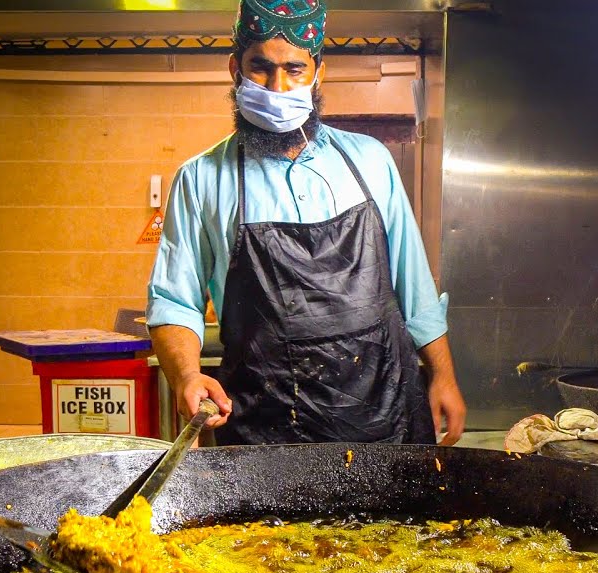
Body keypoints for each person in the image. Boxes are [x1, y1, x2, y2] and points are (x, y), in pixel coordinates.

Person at [146, 0, 465, 446]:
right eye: (261, 67)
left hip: (383, 412)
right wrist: (185, 376)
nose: (277, 87)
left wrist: (443, 376)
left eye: (294, 69)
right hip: (266, 424)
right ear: (234, 67)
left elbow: (414, 285)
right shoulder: (200, 179)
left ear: (318, 72)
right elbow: (175, 301)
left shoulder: (370, 159)